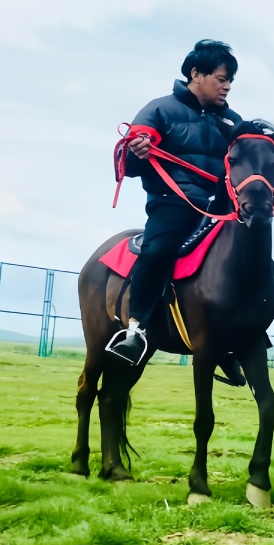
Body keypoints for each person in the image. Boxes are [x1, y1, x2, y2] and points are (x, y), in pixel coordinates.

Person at [106, 40, 245, 385]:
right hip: (171, 203)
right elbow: (128, 162)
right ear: (196, 74)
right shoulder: (159, 110)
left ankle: (232, 342)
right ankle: (135, 330)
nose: (227, 86)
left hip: (217, 209)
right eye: (222, 78)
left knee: (253, 258)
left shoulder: (232, 121)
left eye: (230, 81)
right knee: (159, 250)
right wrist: (138, 151)